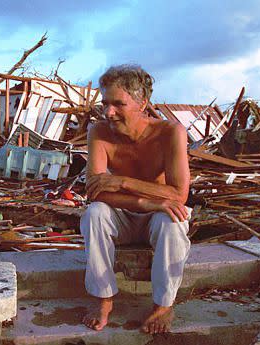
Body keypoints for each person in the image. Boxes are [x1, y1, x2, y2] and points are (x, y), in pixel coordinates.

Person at [81, 64, 191, 334]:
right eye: (105, 103)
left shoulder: (170, 133)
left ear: (143, 103)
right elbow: (95, 191)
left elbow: (179, 194)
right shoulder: (99, 132)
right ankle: (104, 298)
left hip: (157, 218)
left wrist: (122, 181)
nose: (109, 112)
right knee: (94, 213)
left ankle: (164, 305)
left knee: (174, 220)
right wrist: (146, 202)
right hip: (127, 214)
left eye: (119, 104)